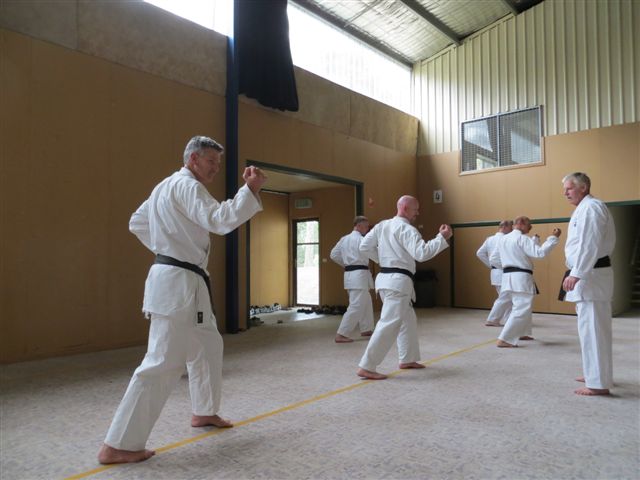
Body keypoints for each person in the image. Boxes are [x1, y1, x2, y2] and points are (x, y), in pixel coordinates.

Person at [98, 136, 267, 464]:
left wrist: (170, 243)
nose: (215, 169)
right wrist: (250, 190)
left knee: (207, 346)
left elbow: (137, 222)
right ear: (193, 159)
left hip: (183, 279)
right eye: (211, 162)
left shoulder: (163, 187)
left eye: (218, 163)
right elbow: (219, 220)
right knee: (162, 361)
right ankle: (119, 443)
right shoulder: (187, 186)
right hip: (177, 281)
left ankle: (204, 411)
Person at [356, 196, 452, 380]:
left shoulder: (382, 225)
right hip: (397, 282)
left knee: (407, 320)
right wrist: (442, 238)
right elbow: (421, 253)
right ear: (405, 208)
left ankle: (407, 358)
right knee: (389, 323)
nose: (418, 213)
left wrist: (384, 260)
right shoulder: (406, 229)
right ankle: (366, 366)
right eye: (416, 209)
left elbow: (364, 246)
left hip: (386, 280)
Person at [561, 172, 615, 396]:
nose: (565, 193)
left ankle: (598, 383)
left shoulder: (591, 207)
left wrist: (577, 272)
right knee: (589, 330)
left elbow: (589, 243)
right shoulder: (584, 208)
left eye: (569, 189)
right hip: (589, 275)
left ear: (583, 187)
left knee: (594, 330)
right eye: (564, 190)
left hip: (591, 274)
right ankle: (594, 373)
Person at [490, 216, 561, 348]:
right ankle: (505, 339)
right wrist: (553, 238)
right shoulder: (522, 238)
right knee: (521, 307)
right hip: (521, 277)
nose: (530, 228)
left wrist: (508, 266)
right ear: (521, 224)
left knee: (522, 306)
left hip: (508, 277)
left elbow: (493, 259)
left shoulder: (503, 239)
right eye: (529, 225)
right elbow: (540, 253)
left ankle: (522, 333)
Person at [330, 216, 378, 343]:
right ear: (358, 226)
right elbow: (373, 254)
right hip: (359, 276)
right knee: (356, 305)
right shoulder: (362, 240)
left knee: (366, 301)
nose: (367, 229)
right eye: (366, 226)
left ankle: (366, 329)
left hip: (351, 274)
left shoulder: (344, 239)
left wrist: (347, 264)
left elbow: (333, 254)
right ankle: (341, 334)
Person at [476, 220, 513, 326]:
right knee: (505, 297)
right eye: (511, 227)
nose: (512, 230)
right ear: (504, 227)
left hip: (495, 272)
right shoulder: (506, 239)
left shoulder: (490, 239)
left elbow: (479, 253)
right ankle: (492, 319)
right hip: (503, 271)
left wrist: (491, 265)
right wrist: (494, 264)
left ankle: (508, 320)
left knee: (507, 297)